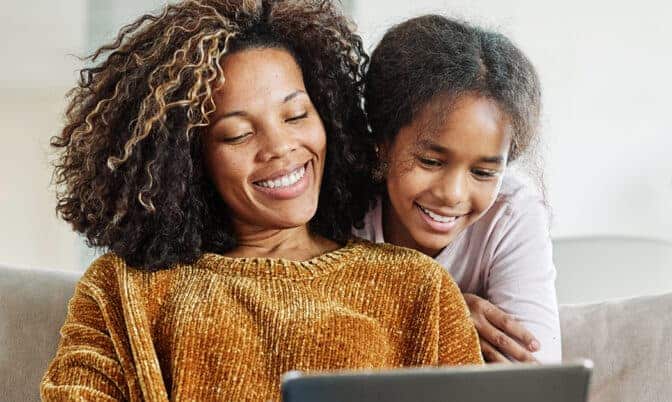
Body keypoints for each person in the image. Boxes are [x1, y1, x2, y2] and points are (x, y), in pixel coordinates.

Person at [41, 2, 482, 400]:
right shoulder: (122, 288)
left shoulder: (416, 287)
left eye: (296, 115)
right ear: (187, 160)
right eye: (238, 134)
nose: (280, 147)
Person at [355, 14, 561, 363]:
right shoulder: (344, 203)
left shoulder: (511, 212)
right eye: (430, 162)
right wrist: (442, 313)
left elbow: (535, 372)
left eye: (482, 172)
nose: (452, 193)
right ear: (383, 145)